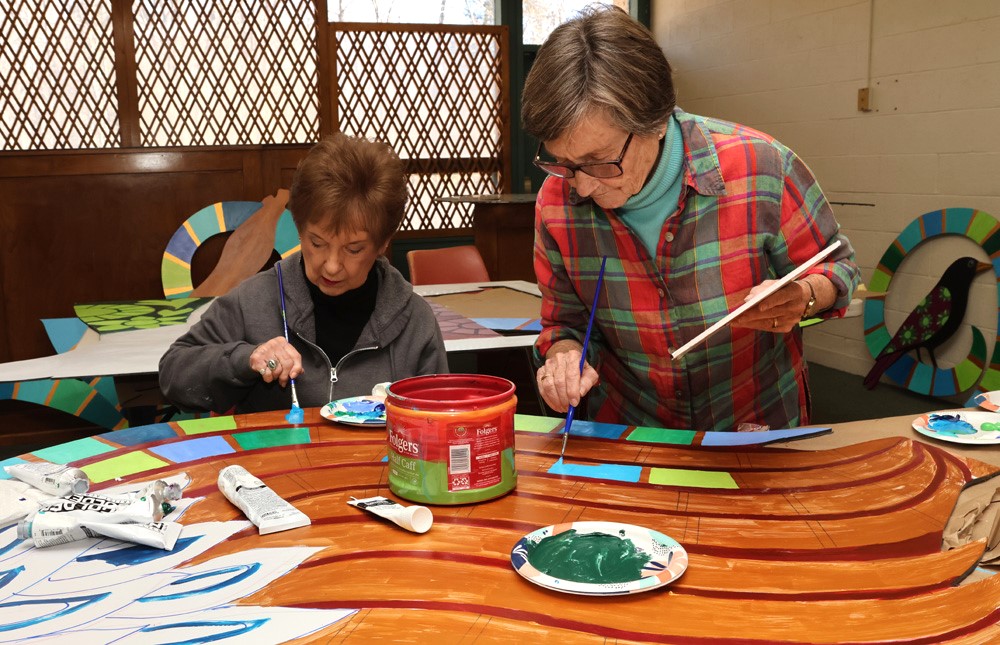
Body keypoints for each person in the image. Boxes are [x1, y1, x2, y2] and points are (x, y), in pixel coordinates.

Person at [523, 6, 860, 432]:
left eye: (599, 162)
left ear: (656, 121)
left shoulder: (762, 168)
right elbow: (563, 322)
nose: (582, 188)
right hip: (630, 430)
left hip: (754, 425)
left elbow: (840, 268)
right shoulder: (556, 202)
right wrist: (564, 359)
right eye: (563, 163)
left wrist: (806, 295)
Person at [159, 133, 448, 414]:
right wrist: (245, 359)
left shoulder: (414, 320)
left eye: (354, 249)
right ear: (298, 228)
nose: (331, 265)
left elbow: (439, 423)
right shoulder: (254, 301)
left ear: (383, 244)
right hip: (272, 463)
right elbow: (174, 374)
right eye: (317, 243)